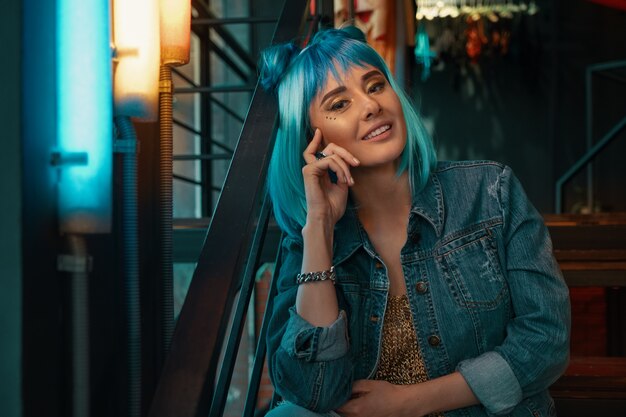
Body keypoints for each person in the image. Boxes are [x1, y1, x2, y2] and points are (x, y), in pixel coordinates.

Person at [258, 26, 570, 417]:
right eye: (339, 104)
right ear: (312, 141)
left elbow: (546, 341)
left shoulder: (490, 191)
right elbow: (313, 392)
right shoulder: (311, 239)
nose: (371, 106)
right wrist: (319, 225)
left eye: (375, 86)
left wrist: (409, 403)